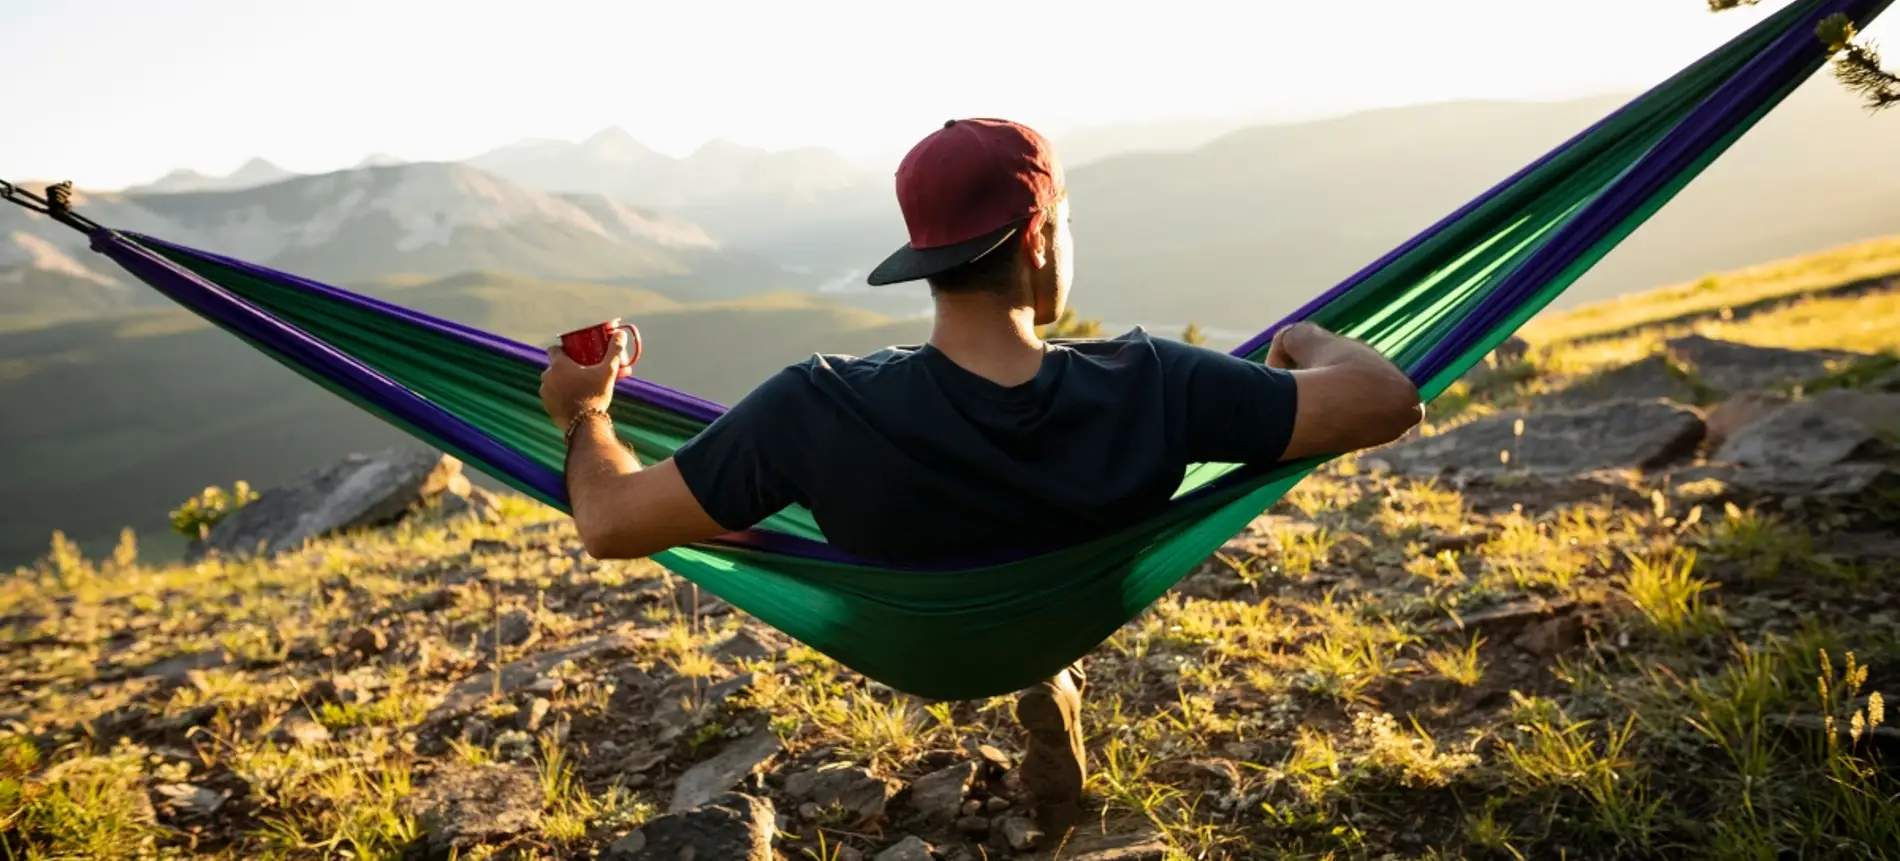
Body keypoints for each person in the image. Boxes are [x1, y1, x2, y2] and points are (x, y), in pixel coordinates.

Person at [539, 117, 1422, 834]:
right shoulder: (1157, 383)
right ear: (1037, 236)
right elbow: (1387, 401)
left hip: (918, 648)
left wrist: (587, 409)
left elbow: (611, 520)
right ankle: (1052, 672)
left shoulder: (815, 409)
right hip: (1066, 610)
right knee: (1040, 599)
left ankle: (1044, 676)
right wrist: (1305, 340)